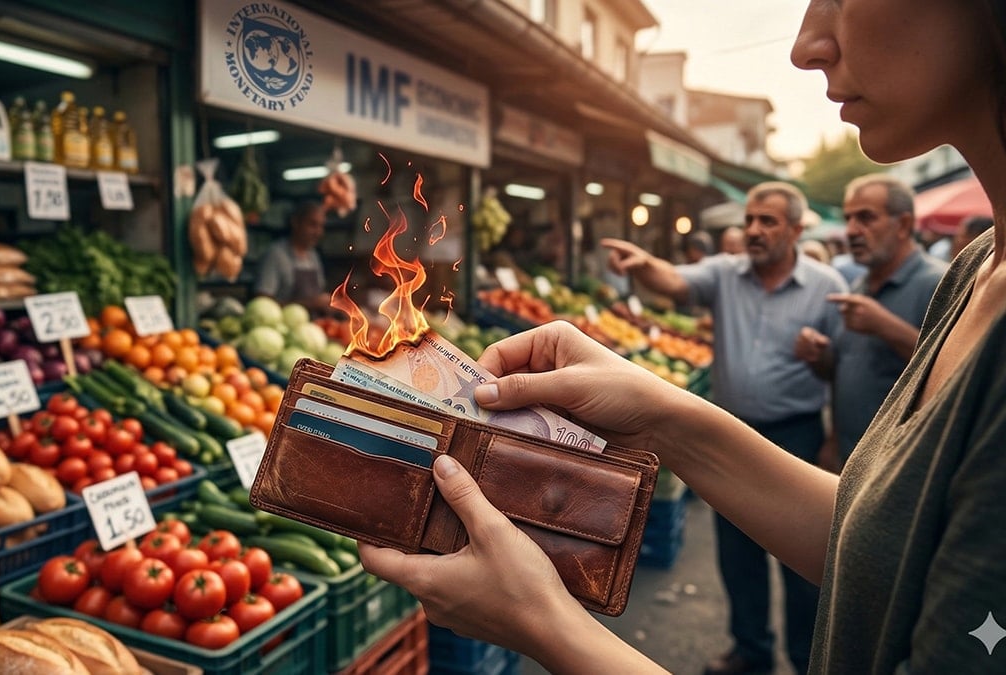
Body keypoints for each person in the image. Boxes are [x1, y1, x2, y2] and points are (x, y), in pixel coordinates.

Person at [358, 1, 1006, 673]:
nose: (807, 46)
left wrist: (546, 625)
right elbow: (884, 547)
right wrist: (662, 416)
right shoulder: (974, 271)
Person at [609, 181, 845, 675]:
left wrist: (822, 361)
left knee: (801, 559)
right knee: (737, 553)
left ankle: (807, 659)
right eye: (750, 220)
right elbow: (674, 281)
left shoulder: (827, 286)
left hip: (796, 434)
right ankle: (751, 650)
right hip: (730, 429)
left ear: (797, 230)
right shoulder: (724, 273)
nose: (754, 230)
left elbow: (840, 369)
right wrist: (642, 264)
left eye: (768, 222)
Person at [795, 174, 947, 469]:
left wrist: (886, 327)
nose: (851, 230)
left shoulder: (940, 283)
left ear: (903, 225)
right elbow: (841, 372)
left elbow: (955, 372)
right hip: (851, 459)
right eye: (848, 218)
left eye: (866, 218)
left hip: (904, 465)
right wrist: (819, 356)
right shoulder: (858, 287)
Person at [252, 201, 330, 314]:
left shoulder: (313, 256)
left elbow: (319, 294)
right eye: (313, 225)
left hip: (312, 327)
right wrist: (310, 304)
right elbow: (262, 302)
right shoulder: (275, 255)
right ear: (296, 223)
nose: (318, 232)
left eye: (321, 226)